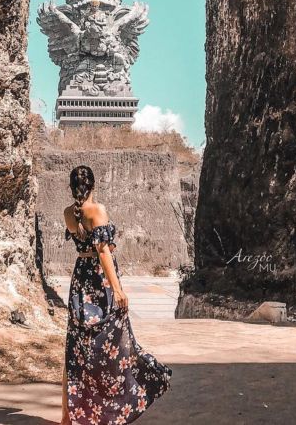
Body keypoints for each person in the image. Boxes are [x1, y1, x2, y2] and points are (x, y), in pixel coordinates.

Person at [61, 165, 171, 425]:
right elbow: (102, 252)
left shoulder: (68, 213)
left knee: (77, 348)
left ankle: (70, 415)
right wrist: (118, 289)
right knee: (115, 344)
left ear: (71, 187)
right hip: (100, 281)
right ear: (93, 186)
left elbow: (89, 247)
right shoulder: (97, 211)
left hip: (80, 281)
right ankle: (112, 409)